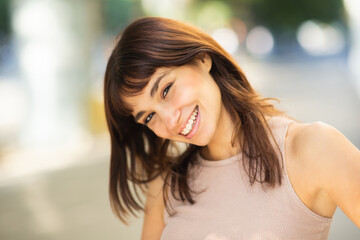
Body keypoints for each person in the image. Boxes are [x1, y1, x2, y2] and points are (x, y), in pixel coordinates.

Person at [103, 17, 360, 240]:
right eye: (149, 117)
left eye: (166, 89)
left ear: (201, 58)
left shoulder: (313, 147)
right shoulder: (166, 186)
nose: (169, 121)